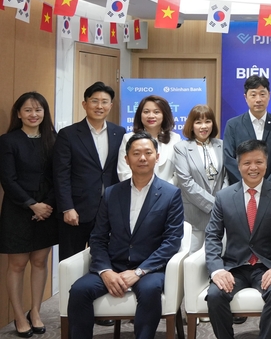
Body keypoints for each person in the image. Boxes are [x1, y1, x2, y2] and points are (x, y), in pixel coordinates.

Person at [67, 131, 184, 339]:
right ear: (126, 159)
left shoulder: (170, 194)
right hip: (114, 265)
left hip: (149, 268)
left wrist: (139, 272)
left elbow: (172, 241)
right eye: (136, 153)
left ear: (157, 157)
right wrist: (105, 271)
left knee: (150, 291)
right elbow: (98, 237)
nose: (142, 158)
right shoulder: (112, 193)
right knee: (79, 290)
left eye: (148, 153)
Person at [205, 139, 271, 339]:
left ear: (267, 163)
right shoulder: (224, 196)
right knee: (214, 295)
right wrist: (218, 270)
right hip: (234, 266)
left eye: (258, 162)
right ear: (238, 166)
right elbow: (212, 236)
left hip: (266, 266)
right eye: (247, 163)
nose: (253, 168)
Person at [0, 93, 58, 337]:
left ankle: (35, 311)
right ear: (19, 113)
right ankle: (17, 314)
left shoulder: (53, 139)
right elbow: (8, 179)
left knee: (39, 262)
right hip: (18, 209)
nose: (34, 114)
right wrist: (32, 205)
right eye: (28, 110)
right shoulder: (8, 141)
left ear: (45, 113)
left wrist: (46, 205)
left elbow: (59, 176)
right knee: (17, 264)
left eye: (39, 110)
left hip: (48, 209)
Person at [54, 81, 126, 261]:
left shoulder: (120, 132)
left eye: (104, 101)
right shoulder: (68, 134)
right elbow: (61, 174)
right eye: (94, 101)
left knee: (105, 261)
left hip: (109, 210)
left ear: (110, 105)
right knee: (71, 262)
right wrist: (67, 208)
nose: (99, 106)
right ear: (84, 104)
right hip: (77, 211)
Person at [173, 104, 228, 253]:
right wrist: (215, 205)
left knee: (218, 259)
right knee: (190, 261)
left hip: (220, 217)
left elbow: (226, 177)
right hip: (193, 216)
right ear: (191, 125)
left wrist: (222, 203)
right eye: (198, 122)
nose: (204, 126)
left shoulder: (222, 145)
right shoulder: (181, 148)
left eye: (208, 121)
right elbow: (186, 182)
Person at [223, 75, 271, 185]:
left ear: (269, 95)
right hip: (241, 190)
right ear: (245, 97)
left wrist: (267, 186)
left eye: (262, 94)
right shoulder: (233, 125)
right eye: (253, 95)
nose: (258, 99)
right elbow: (229, 159)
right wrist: (247, 184)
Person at [118, 95, 181, 184]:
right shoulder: (128, 138)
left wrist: (165, 191)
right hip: (136, 193)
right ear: (140, 114)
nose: (151, 116)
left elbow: (179, 173)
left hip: (167, 194)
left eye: (156, 112)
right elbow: (123, 172)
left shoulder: (175, 139)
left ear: (164, 115)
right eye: (146, 112)